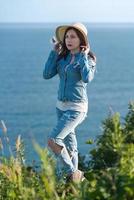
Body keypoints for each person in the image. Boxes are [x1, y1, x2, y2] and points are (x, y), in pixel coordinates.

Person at [43, 22, 96, 182]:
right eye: (67, 36)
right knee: (71, 147)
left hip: (77, 108)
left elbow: (87, 78)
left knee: (53, 140)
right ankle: (75, 184)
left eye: (73, 36)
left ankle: (74, 173)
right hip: (61, 107)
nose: (68, 40)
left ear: (81, 40)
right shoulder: (62, 58)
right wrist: (54, 53)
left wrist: (83, 56)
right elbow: (46, 74)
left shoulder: (89, 59)